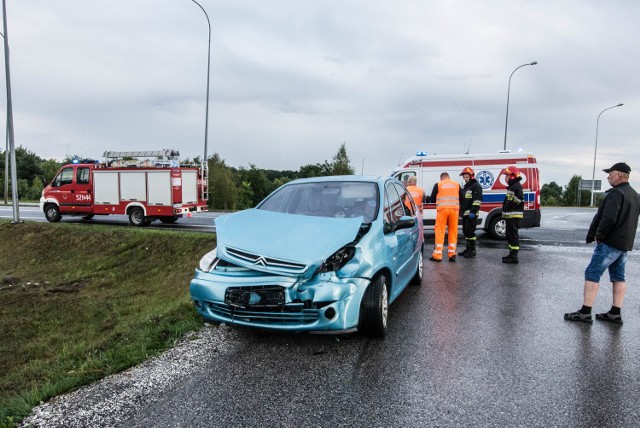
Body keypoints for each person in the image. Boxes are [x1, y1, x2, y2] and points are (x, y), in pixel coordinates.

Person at [564, 162, 640, 325]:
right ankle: (615, 312)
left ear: (619, 175)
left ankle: (585, 312)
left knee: (592, 272)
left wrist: (599, 235)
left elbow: (609, 218)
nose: (608, 177)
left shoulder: (616, 194)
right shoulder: (635, 195)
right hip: (624, 243)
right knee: (618, 277)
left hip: (610, 242)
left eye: (610, 174)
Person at [429, 172, 460, 262]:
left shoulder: (438, 184)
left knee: (440, 231)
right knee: (453, 231)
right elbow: (461, 197)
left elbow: (432, 199)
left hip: (442, 210)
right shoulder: (456, 184)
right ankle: (452, 254)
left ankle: (437, 255)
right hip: (454, 210)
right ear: (448, 177)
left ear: (441, 178)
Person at [501, 166, 524, 264]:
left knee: (513, 236)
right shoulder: (512, 186)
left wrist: (510, 206)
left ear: (513, 176)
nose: (506, 178)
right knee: (509, 235)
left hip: (513, 215)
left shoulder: (516, 186)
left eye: (507, 176)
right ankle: (511, 254)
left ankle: (514, 257)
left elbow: (519, 199)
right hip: (510, 215)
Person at [458, 167, 483, 258]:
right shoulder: (466, 186)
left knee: (470, 232)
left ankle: (472, 250)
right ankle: (468, 248)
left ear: (471, 176)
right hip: (465, 213)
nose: (465, 179)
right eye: (464, 177)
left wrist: (473, 211)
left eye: (466, 177)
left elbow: (477, 200)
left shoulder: (476, 186)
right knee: (466, 231)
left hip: (471, 214)